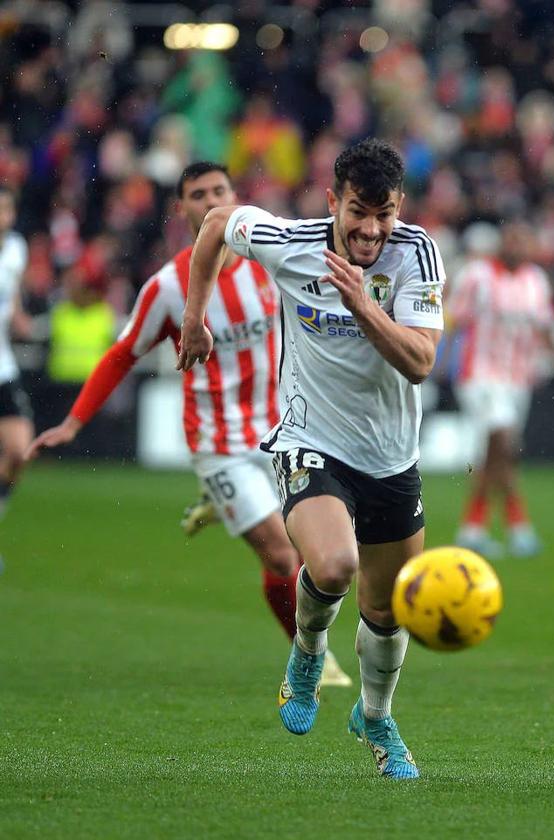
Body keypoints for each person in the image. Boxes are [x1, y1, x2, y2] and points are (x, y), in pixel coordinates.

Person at [176, 139, 445, 781]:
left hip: (390, 458)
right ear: (333, 201)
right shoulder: (290, 242)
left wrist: (361, 303)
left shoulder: (417, 254)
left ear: (398, 208)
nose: (371, 229)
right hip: (309, 440)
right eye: (358, 212)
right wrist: (194, 318)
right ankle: (306, 651)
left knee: (388, 612)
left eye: (383, 214)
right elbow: (216, 225)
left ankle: (375, 718)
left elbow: (420, 362)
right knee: (334, 563)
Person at [26, 162, 351, 688]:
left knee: (327, 549)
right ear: (182, 210)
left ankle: (217, 505)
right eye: (197, 195)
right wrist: (72, 423)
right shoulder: (168, 288)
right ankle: (312, 656)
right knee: (281, 551)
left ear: (234, 197)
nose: (209, 201)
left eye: (218, 191)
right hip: (218, 440)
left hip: (285, 433)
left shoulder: (271, 260)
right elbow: (121, 354)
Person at [448, 220, 554, 559]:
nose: (518, 246)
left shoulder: (536, 281)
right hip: (480, 375)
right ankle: (518, 524)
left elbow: (545, 326)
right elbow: (452, 318)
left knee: (497, 455)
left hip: (517, 380)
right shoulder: (477, 276)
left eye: (524, 240)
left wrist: (550, 355)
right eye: (512, 239)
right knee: (501, 440)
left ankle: (473, 528)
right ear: (502, 242)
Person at [0, 185, 33, 523]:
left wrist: (19, 316)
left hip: (3, 366)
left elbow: (10, 299)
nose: (4, 217)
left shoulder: (15, 249)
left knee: (19, 452)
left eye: (7, 209)